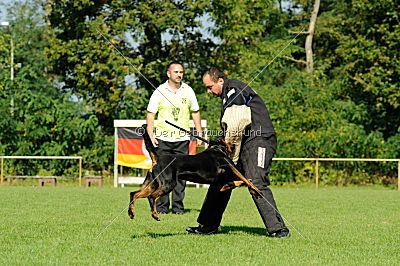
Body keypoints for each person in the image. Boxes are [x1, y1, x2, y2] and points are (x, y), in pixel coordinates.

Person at [186, 67, 290, 238]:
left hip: (259, 140)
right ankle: (207, 225)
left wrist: (224, 144)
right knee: (221, 179)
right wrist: (217, 143)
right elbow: (231, 128)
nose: (209, 91)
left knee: (256, 181)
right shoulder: (228, 95)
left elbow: (236, 122)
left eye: (210, 87)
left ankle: (279, 229)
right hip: (244, 143)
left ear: (220, 80)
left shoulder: (233, 89)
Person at [146, 62, 203, 215]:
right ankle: (163, 208)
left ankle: (178, 207)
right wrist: (151, 134)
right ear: (168, 74)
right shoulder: (159, 91)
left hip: (182, 139)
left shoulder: (188, 90)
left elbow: (195, 112)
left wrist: (199, 133)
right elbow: (150, 114)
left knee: (181, 175)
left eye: (181, 72)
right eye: (176, 72)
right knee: (163, 174)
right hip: (163, 140)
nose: (179, 74)